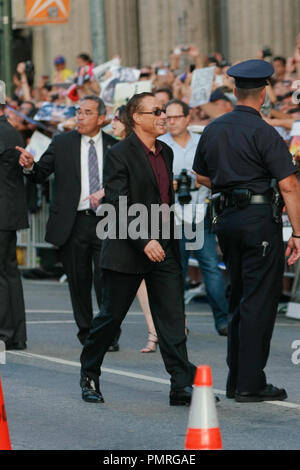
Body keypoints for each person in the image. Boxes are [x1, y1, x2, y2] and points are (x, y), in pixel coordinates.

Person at [193, 59, 300, 403]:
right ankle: (250, 382)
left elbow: (201, 176)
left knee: (239, 297)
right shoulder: (264, 131)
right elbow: (289, 184)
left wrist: (231, 184)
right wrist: (298, 233)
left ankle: (236, 378)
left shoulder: (213, 128)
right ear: (264, 92)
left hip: (226, 219)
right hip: (258, 221)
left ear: (235, 92)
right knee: (259, 301)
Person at [80, 92, 197, 406]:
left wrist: (164, 239)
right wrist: (145, 240)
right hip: (128, 247)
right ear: (137, 118)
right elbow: (118, 204)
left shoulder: (167, 152)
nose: (164, 116)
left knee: (172, 318)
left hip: (165, 248)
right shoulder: (120, 153)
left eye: (165, 110)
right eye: (157, 111)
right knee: (110, 319)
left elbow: (163, 201)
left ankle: (180, 385)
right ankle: (89, 372)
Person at [17, 96, 117, 346]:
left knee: (107, 279)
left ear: (101, 118)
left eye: (87, 112)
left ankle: (108, 333)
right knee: (78, 280)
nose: (80, 117)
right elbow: (40, 174)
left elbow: (122, 182)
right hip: (74, 223)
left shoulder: (115, 147)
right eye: (78, 112)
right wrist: (30, 166)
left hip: (106, 220)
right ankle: (86, 333)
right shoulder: (62, 143)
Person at [159, 99, 229, 336]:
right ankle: (179, 323)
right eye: (167, 118)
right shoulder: (160, 145)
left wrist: (199, 180)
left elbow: (217, 173)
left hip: (200, 214)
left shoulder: (201, 141)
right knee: (175, 271)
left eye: (176, 117)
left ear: (188, 118)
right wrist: (171, 184)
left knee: (210, 265)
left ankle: (223, 320)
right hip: (172, 216)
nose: (171, 122)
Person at [111, 105, 158, 353]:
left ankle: (158, 330)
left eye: (116, 120)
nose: (112, 124)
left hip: (141, 227)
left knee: (149, 284)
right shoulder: (119, 150)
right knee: (139, 287)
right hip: (126, 227)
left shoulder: (152, 150)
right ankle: (155, 330)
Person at [0, 102, 28, 350]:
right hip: (7, 211)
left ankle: (6, 332)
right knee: (8, 271)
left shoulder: (3, 131)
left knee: (3, 273)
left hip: (2, 211)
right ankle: (15, 333)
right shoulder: (9, 130)